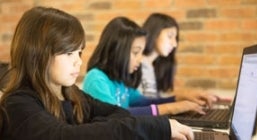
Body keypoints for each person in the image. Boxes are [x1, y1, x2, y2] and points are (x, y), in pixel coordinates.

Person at [0, 7, 194, 140]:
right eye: (69, 53)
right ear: (37, 54)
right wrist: (158, 127)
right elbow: (64, 136)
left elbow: (116, 112)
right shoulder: (18, 103)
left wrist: (91, 127)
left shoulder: (71, 93)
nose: (79, 61)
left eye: (79, 52)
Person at [82, 16, 205, 117]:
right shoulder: (96, 79)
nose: (140, 59)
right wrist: (170, 108)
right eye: (136, 52)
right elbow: (117, 116)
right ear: (117, 51)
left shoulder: (119, 80)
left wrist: (176, 99)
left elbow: (143, 102)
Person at [139, 13, 218, 108]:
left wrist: (186, 97)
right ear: (154, 33)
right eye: (170, 36)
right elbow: (146, 105)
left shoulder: (152, 65)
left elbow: (155, 100)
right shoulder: (138, 65)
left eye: (175, 38)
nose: (174, 44)